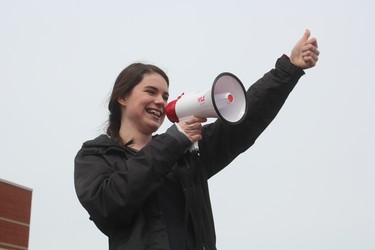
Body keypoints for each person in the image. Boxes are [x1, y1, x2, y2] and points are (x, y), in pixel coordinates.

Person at [74, 29, 319, 250]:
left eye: (165, 95)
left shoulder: (186, 154)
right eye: (151, 91)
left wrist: (289, 70)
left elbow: (243, 122)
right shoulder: (95, 155)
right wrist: (174, 140)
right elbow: (109, 206)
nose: (160, 101)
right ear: (123, 98)